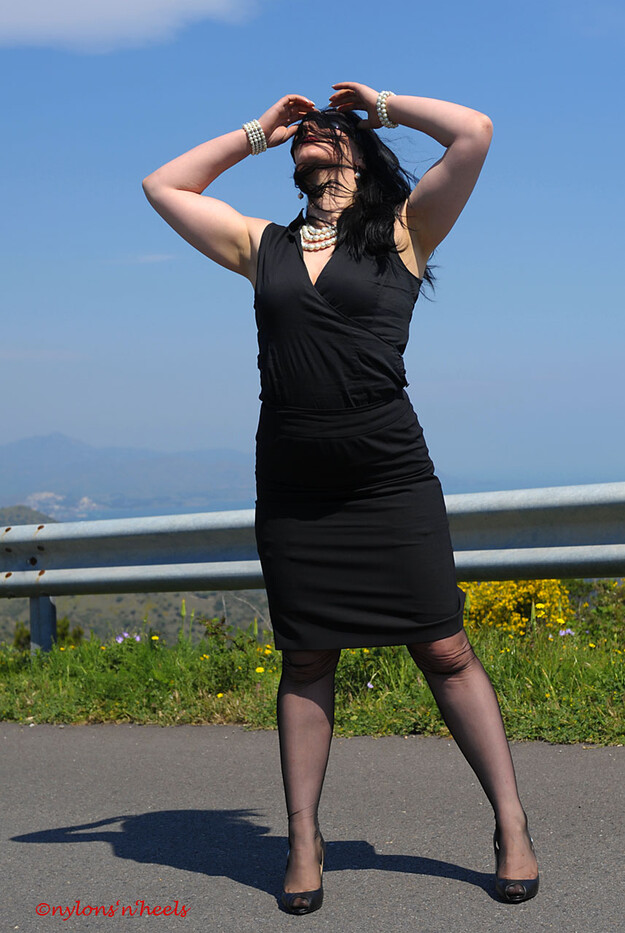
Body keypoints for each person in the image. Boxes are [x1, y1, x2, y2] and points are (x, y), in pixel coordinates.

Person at [142, 81, 539, 914]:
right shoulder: (263, 245)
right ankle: (302, 839)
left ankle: (510, 822)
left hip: (388, 475)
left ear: (359, 150)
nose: (311, 134)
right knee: (306, 656)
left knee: (444, 648)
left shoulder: (404, 230)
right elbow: (163, 185)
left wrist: (381, 102)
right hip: (294, 485)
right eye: (303, 134)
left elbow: (473, 131)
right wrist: (257, 130)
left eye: (328, 129)